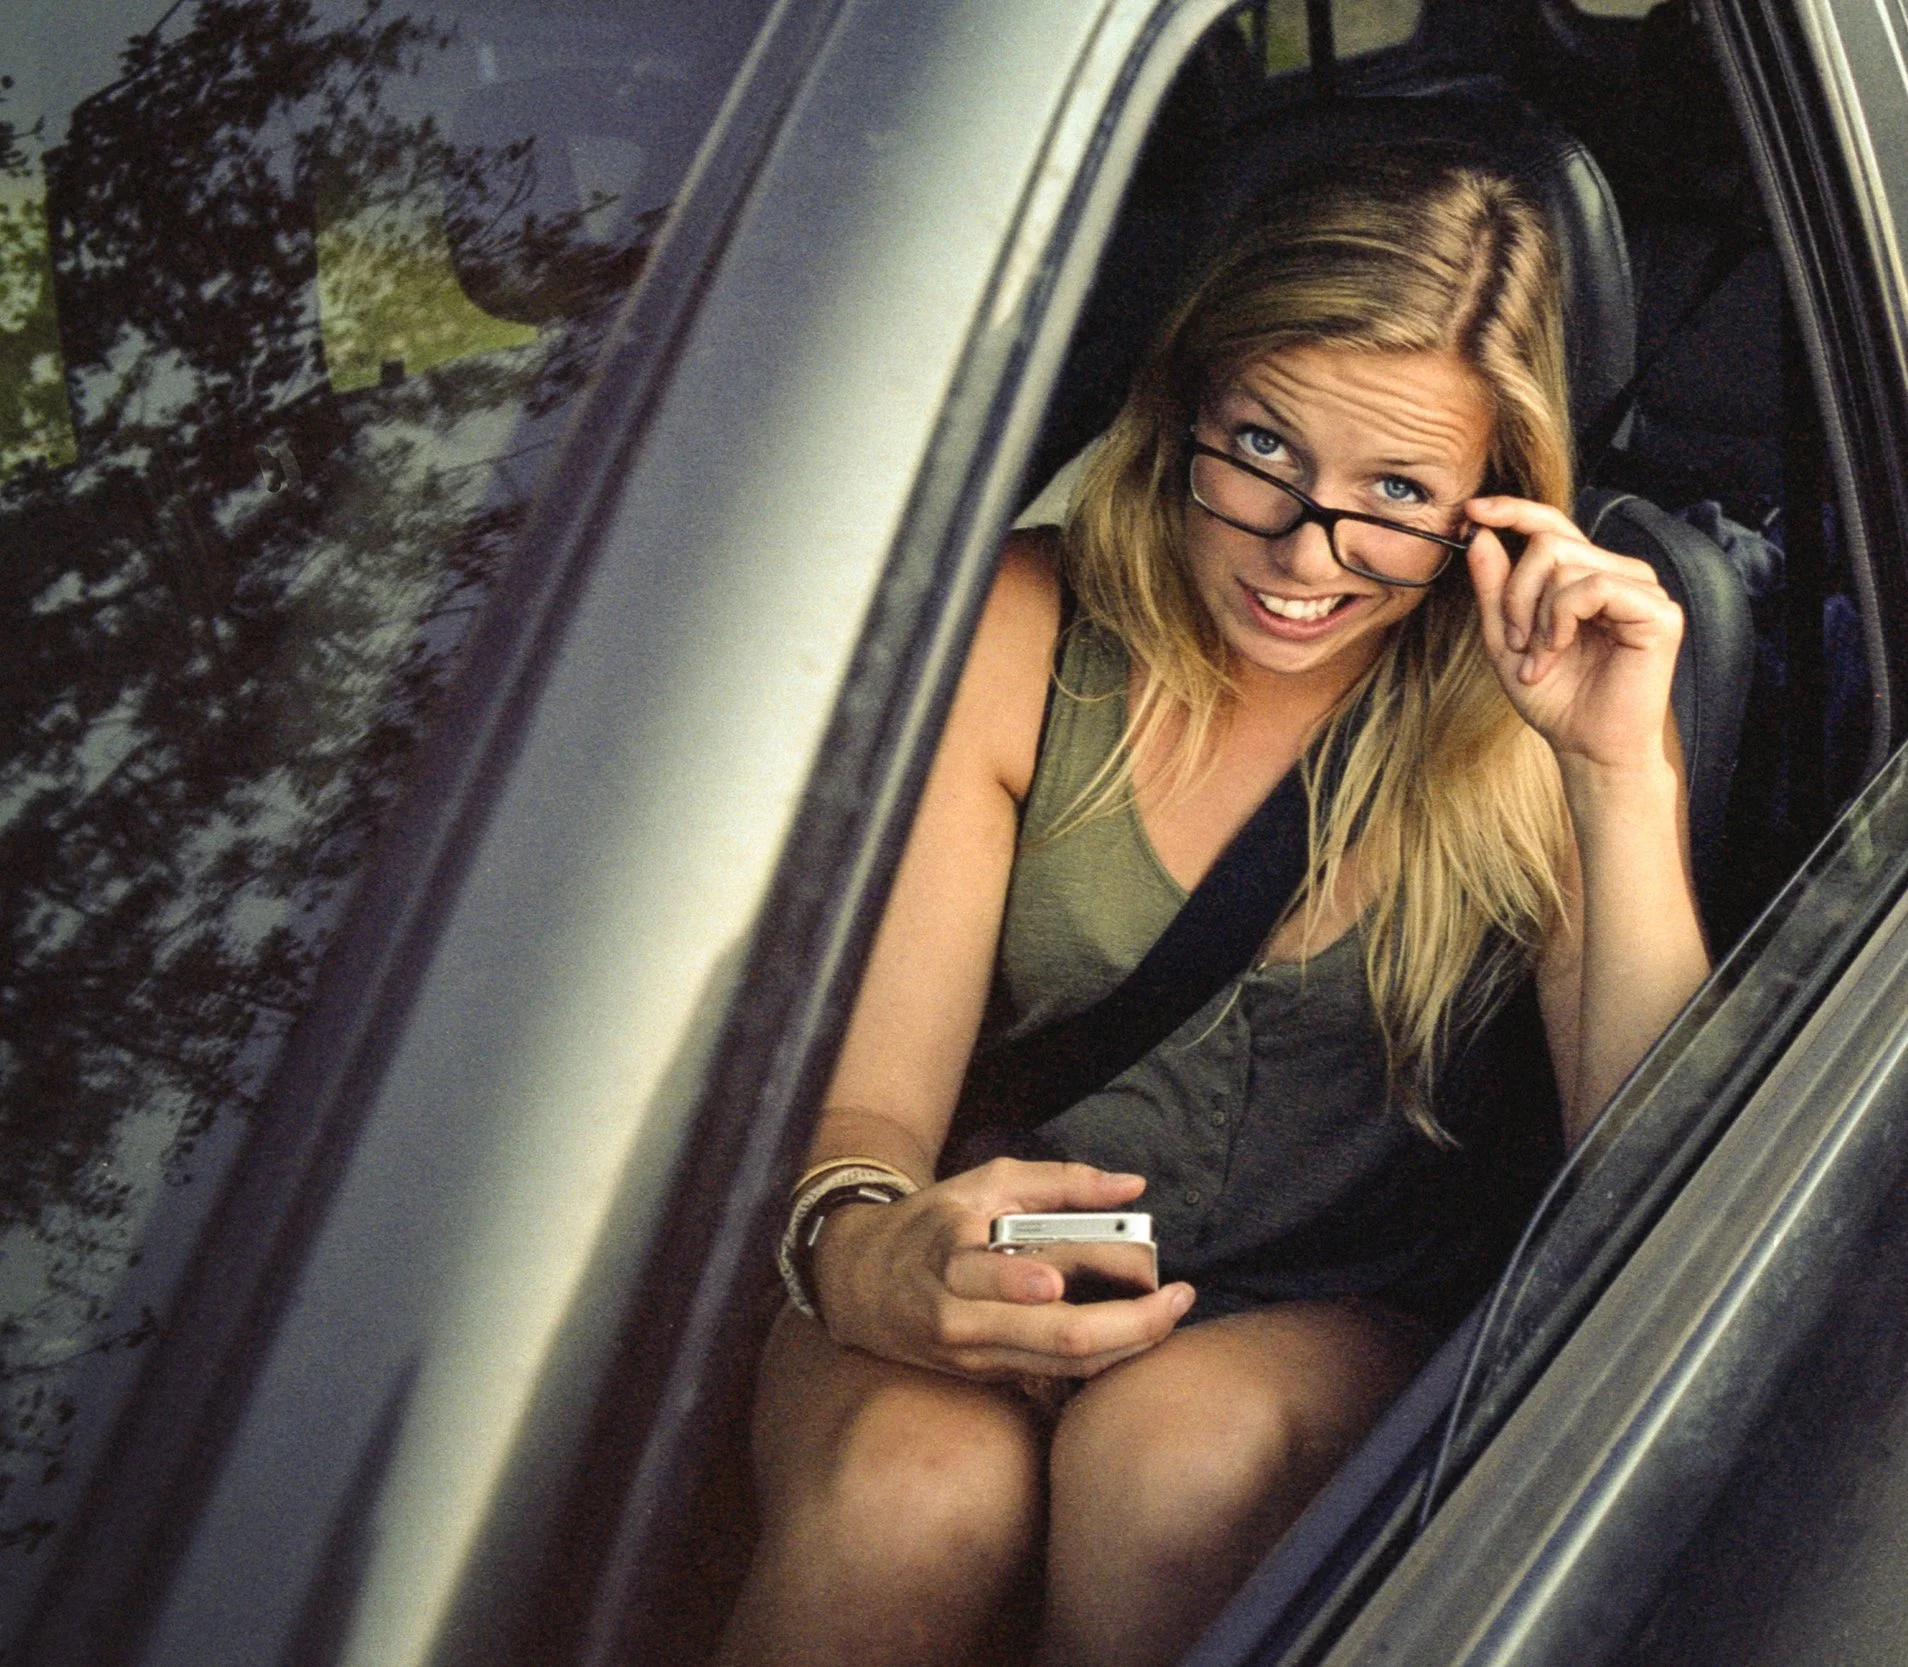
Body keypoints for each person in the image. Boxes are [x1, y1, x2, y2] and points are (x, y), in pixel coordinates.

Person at [715, 145, 1710, 1667]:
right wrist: (873, 1258)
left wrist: (1619, 773)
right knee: (912, 1498)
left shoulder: (1537, 709)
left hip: (1329, 1301)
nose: (1304, 555)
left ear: (1492, 511)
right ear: (1181, 406)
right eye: (1261, 446)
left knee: (1169, 1464)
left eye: (1395, 494)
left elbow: (1661, 1178)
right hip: (997, 1235)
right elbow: (872, 1112)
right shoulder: (1026, 626)